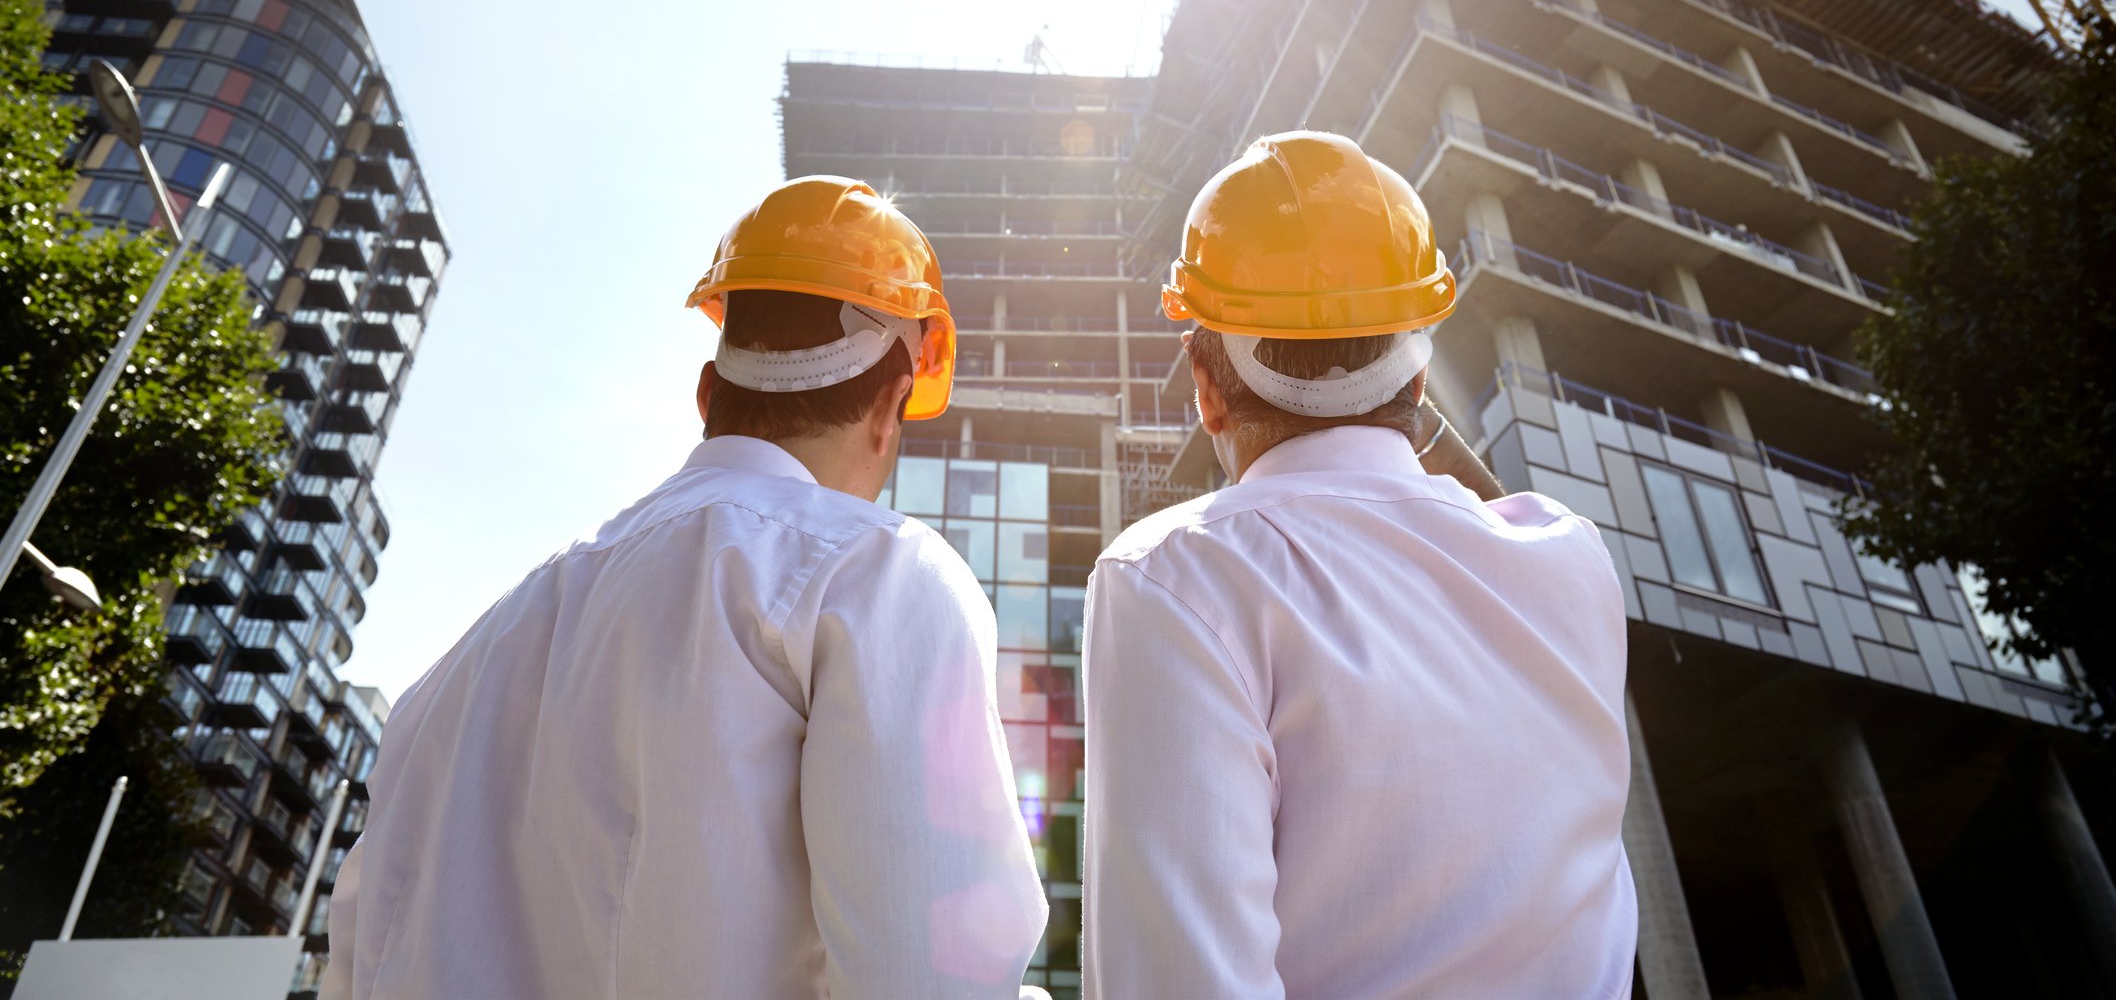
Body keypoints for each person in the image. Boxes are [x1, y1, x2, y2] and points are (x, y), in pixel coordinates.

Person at [324, 176, 1045, 1000]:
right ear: (890, 408)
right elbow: (933, 981)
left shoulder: (448, 679)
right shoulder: (875, 577)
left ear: (708, 394)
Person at [1082, 131, 1635, 998]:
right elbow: (1479, 508)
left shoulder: (1173, 578)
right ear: (1419, 378)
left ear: (1205, 387)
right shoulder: (1568, 558)